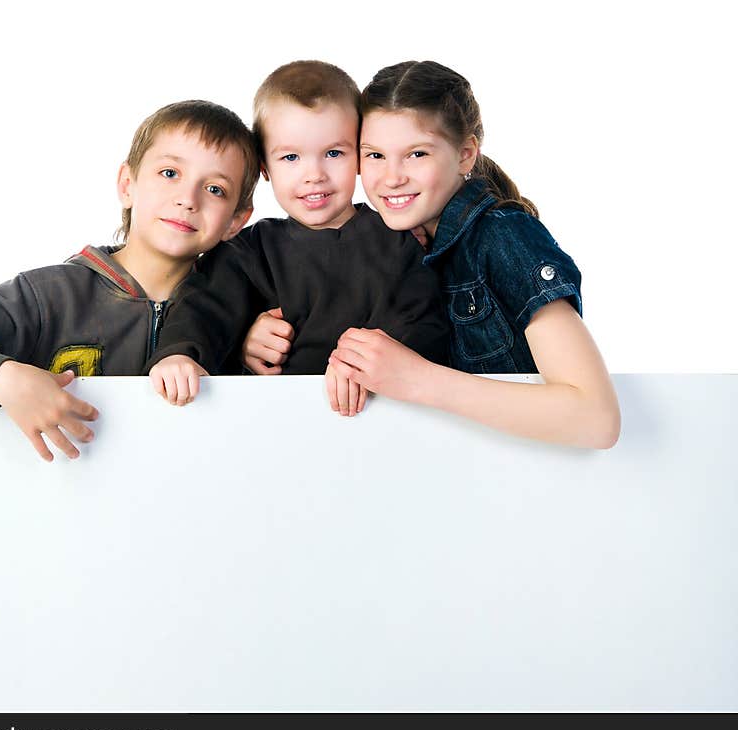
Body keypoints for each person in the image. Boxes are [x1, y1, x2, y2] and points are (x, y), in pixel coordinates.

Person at [248, 60, 620, 448]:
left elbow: (596, 418)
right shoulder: (387, 247)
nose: (392, 177)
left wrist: (420, 379)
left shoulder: (503, 236)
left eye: (417, 154)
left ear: (465, 154)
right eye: (374, 155)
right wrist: (253, 339)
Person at [0, 100, 259, 460]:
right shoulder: (48, 297)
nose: (188, 198)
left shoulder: (245, 316)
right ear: (128, 184)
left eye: (215, 189)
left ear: (236, 220)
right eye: (170, 173)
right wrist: (1, 376)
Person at [148, 61, 449, 416]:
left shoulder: (397, 240)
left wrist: (370, 360)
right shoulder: (249, 251)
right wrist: (184, 354)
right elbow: (205, 309)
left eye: (333, 153)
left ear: (359, 156)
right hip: (275, 424)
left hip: (380, 420)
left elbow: (427, 324)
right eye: (290, 157)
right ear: (265, 169)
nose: (314, 175)